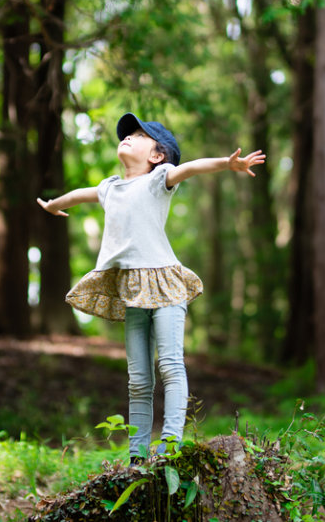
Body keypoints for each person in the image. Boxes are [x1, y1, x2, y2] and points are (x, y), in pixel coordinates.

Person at [36, 112, 266, 464]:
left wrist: (226, 163)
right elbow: (80, 195)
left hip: (165, 285)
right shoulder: (110, 187)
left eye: (139, 135)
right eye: (126, 134)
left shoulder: (160, 178)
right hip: (131, 289)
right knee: (138, 380)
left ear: (158, 155)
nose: (127, 137)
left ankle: (170, 446)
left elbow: (189, 168)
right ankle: (137, 458)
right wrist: (53, 206)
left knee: (171, 366)